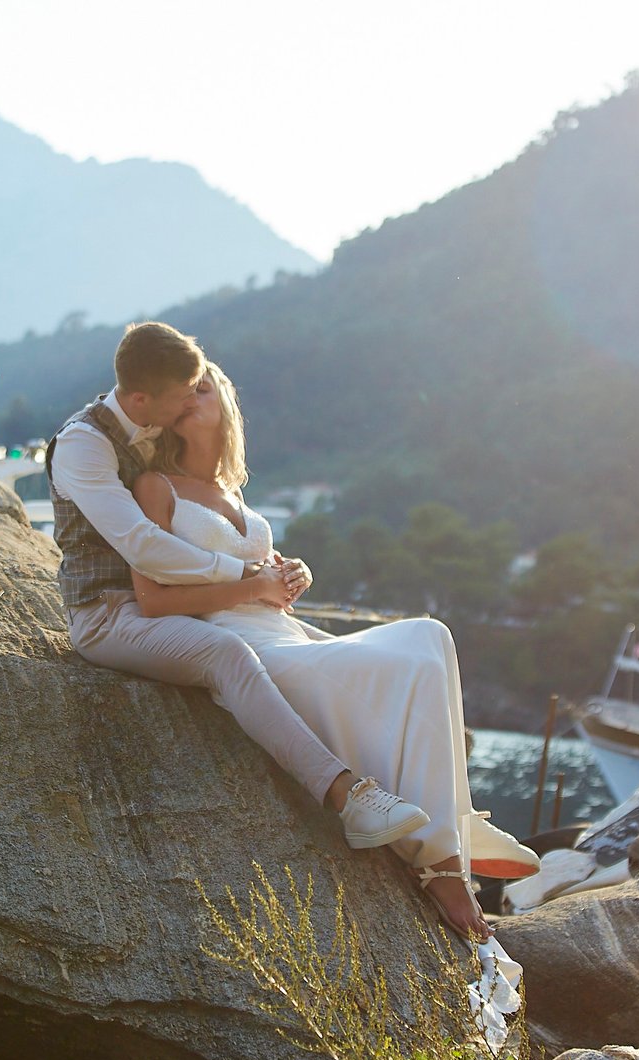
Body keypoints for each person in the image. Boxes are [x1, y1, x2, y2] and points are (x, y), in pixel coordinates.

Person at [124, 356, 540, 942]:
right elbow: (154, 598)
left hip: (284, 629)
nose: (192, 396)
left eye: (204, 387)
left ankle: (455, 821)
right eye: (183, 391)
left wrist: (290, 574)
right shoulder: (155, 487)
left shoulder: (232, 492)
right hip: (240, 647)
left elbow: (260, 577)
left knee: (429, 634)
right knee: (397, 669)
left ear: (225, 404)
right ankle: (445, 860)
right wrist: (253, 586)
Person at [46, 322, 429, 859]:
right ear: (140, 399)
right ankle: (350, 799)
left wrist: (276, 570)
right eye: (183, 397)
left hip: (174, 606)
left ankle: (441, 814)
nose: (188, 407)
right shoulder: (84, 444)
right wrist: (246, 579)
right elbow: (143, 544)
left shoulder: (153, 426)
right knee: (228, 654)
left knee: (361, 653)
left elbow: (200, 512)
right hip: (108, 615)